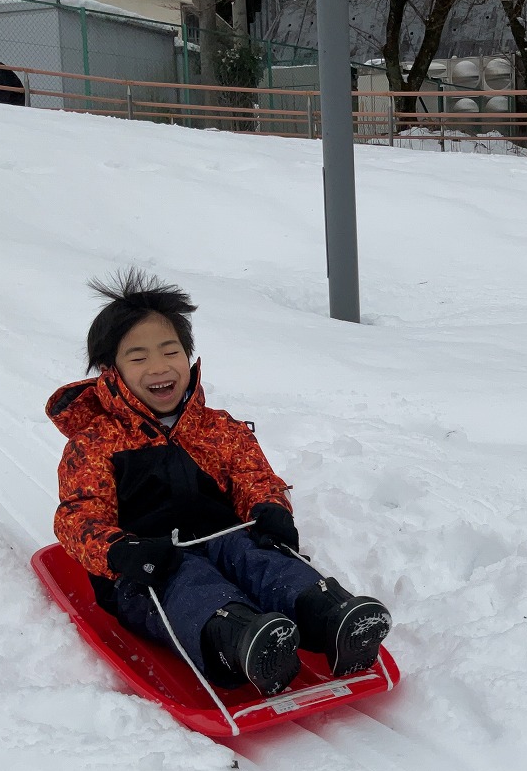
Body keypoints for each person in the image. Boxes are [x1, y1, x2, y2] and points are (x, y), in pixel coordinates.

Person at [45, 268, 391, 695]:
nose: (159, 367)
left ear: (187, 357)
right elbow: (78, 516)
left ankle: (329, 617)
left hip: (224, 541)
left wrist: (269, 508)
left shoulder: (217, 429)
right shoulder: (95, 443)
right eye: (138, 358)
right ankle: (240, 641)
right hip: (148, 570)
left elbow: (253, 476)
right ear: (110, 370)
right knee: (188, 579)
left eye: (170, 351)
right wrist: (120, 552)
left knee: (258, 557)